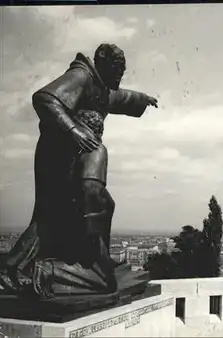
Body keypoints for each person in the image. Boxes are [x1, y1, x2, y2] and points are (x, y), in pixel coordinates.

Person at [0, 44, 158, 299]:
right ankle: (60, 268)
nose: (120, 76)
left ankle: (17, 266)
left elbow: (120, 97)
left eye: (123, 71)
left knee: (56, 214)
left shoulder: (100, 87)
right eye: (117, 70)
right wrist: (74, 130)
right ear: (103, 65)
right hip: (61, 155)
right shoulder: (82, 75)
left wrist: (143, 99)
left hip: (79, 155)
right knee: (63, 210)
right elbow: (45, 98)